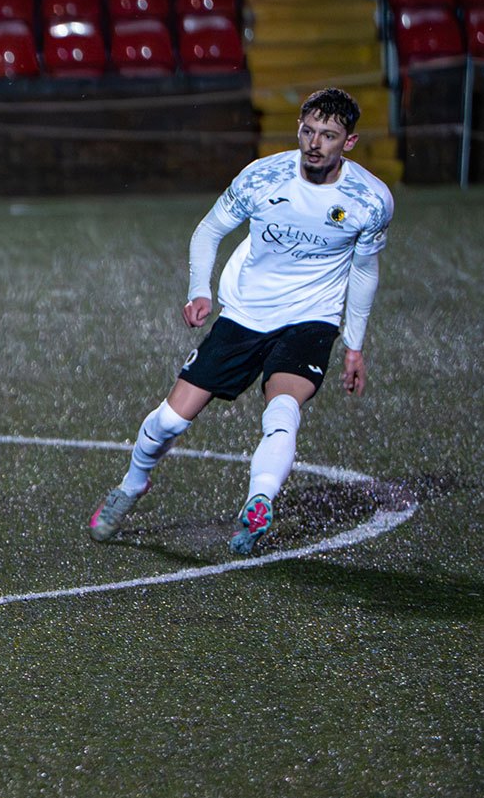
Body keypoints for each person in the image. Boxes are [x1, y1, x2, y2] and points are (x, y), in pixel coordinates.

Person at [88, 88, 393, 555]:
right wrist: (199, 290)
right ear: (298, 129)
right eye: (308, 131)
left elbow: (365, 270)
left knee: (283, 410)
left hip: (312, 318)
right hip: (246, 313)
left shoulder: (369, 200)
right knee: (169, 421)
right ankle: (132, 484)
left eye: (328, 135)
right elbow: (209, 229)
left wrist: (354, 344)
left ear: (348, 142)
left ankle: (259, 502)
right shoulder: (262, 176)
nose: (314, 143)